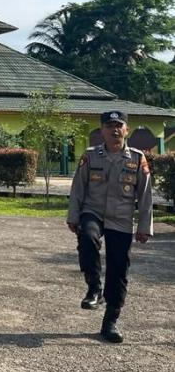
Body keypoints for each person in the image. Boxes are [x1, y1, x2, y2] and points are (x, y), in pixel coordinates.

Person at [67, 110, 153, 343]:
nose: (114, 130)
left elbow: (145, 195)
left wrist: (144, 226)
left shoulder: (137, 159)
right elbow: (78, 188)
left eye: (118, 125)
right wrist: (73, 216)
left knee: (118, 269)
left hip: (121, 218)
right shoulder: (90, 156)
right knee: (87, 237)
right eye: (109, 126)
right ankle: (94, 288)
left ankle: (110, 322)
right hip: (93, 211)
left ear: (126, 130)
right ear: (102, 131)